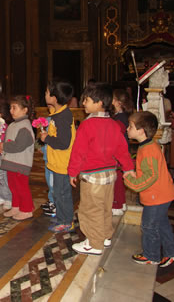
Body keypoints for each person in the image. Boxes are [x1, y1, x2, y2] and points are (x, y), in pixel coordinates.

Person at [68, 83, 134, 255]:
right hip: (109, 175)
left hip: (92, 177)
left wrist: (72, 172)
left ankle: (94, 243)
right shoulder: (113, 125)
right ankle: (104, 236)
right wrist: (128, 168)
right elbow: (122, 150)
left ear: (98, 103)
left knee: (90, 210)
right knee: (105, 207)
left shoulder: (87, 125)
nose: (83, 103)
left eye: (87, 100)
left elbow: (78, 152)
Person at [124, 111, 174, 267]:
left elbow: (151, 177)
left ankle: (152, 255)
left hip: (156, 196)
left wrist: (131, 180)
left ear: (141, 130)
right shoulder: (148, 146)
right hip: (162, 194)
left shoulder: (148, 150)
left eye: (130, 126)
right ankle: (173, 252)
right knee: (161, 224)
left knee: (148, 226)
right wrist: (137, 174)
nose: (127, 129)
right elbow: (149, 171)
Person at [40, 79, 76, 233]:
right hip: (57, 162)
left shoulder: (62, 118)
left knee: (61, 194)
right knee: (58, 192)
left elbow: (63, 143)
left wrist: (46, 138)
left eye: (47, 92)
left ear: (54, 98)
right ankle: (63, 218)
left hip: (62, 163)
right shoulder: (58, 114)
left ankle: (66, 221)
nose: (45, 95)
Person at [0, 95, 36, 221]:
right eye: (10, 108)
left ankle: (26, 210)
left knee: (22, 187)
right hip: (11, 162)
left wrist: (4, 146)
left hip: (20, 163)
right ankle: (16, 206)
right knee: (13, 186)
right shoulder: (13, 124)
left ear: (25, 110)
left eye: (14, 108)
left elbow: (19, 145)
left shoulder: (24, 126)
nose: (11, 111)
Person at [111, 88, 134, 216]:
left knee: (117, 180)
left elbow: (115, 131)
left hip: (118, 153)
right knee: (118, 179)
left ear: (118, 102)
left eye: (112, 100)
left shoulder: (121, 118)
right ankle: (121, 202)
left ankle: (117, 204)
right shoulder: (119, 116)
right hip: (119, 152)